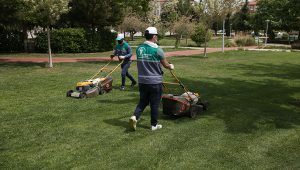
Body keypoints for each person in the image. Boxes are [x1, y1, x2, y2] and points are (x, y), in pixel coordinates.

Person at [129, 27, 174, 131]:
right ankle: (154, 125)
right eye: (156, 35)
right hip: (155, 81)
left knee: (143, 101)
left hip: (142, 81)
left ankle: (135, 116)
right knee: (155, 103)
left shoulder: (139, 48)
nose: (157, 37)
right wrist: (171, 66)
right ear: (154, 36)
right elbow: (166, 65)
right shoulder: (157, 49)